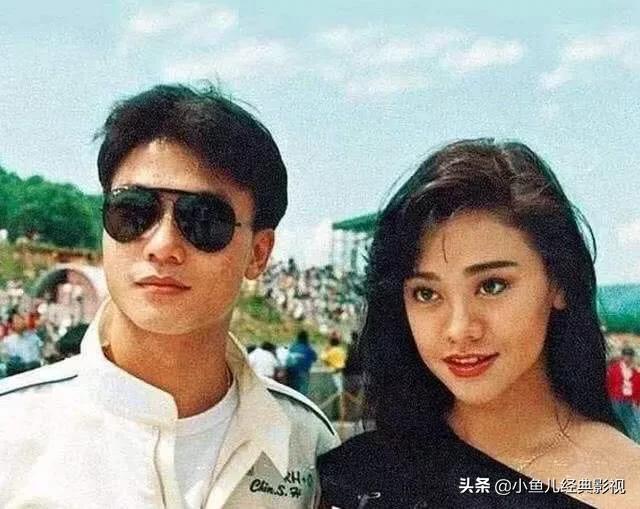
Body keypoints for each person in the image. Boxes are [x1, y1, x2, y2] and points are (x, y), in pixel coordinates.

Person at [0, 83, 338, 508]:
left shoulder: (306, 446)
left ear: (258, 253)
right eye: (133, 212)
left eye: (204, 220)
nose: (162, 246)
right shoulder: (12, 433)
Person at [319, 139, 640, 508]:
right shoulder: (356, 476)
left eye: (491, 286)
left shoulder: (624, 484)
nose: (459, 329)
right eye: (426, 293)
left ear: (559, 283)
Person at [607, 346, 640, 442]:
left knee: (632, 424)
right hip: (616, 400)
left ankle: (635, 443)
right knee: (619, 424)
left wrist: (637, 401)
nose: (627, 358)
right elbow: (609, 384)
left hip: (629, 401)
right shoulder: (614, 369)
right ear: (623, 357)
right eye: (626, 356)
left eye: (629, 356)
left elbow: (638, 388)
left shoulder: (635, 372)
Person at [286, 330, 317, 395]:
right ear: (307, 338)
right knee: (302, 394)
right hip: (303, 373)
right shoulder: (308, 348)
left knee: (291, 392)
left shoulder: (292, 347)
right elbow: (315, 358)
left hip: (290, 372)